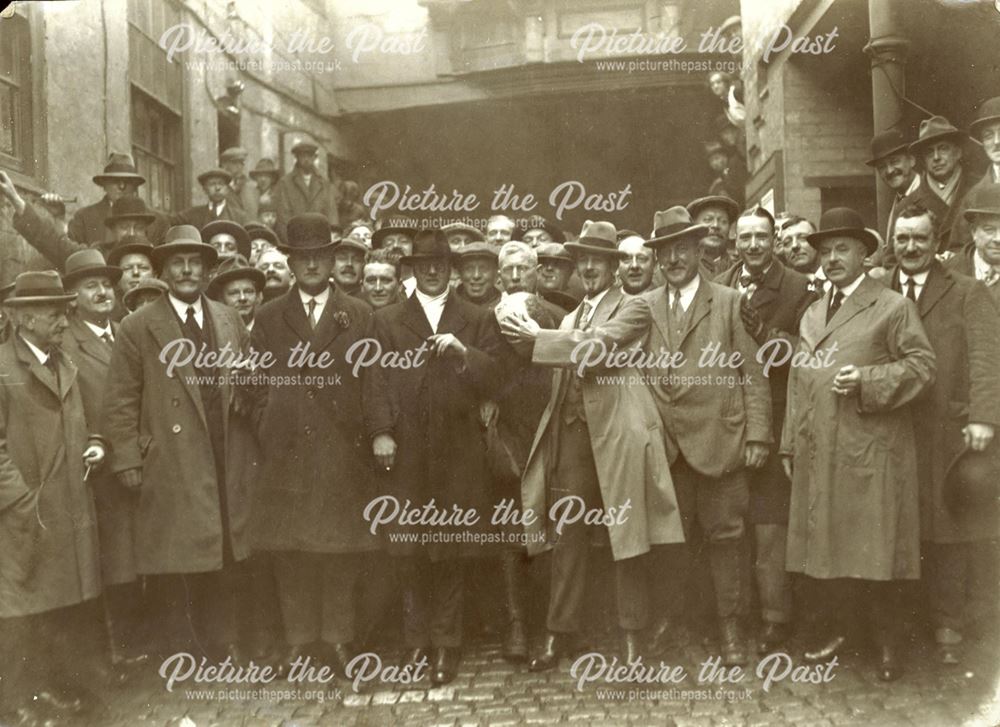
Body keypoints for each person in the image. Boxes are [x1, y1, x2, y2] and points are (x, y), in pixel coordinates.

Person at [500, 220, 684, 671]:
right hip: (574, 437)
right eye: (582, 261)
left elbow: (597, 347)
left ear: (614, 267)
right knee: (568, 536)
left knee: (628, 536)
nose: (589, 268)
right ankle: (560, 634)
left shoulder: (635, 308)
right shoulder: (569, 316)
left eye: (597, 260)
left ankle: (632, 637)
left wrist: (536, 339)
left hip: (619, 435)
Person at [780, 207, 935, 682]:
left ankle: (888, 644)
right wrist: (789, 443)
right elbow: (796, 381)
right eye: (824, 251)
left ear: (865, 254)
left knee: (876, 548)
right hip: (819, 447)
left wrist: (867, 380)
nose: (831, 258)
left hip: (870, 450)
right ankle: (842, 631)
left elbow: (922, 367)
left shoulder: (891, 306)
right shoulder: (810, 312)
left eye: (841, 249)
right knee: (830, 548)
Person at [103, 225, 259, 663]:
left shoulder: (227, 318)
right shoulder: (139, 326)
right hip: (173, 455)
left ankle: (226, 642)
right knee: (180, 553)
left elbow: (249, 379)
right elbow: (120, 399)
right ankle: (186, 646)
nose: (188, 270)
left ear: (208, 270)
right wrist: (129, 458)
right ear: (164, 270)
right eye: (178, 262)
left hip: (226, 446)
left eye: (195, 262)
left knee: (226, 546)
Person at [364, 229, 505, 685]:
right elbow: (375, 380)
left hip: (457, 450)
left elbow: (498, 377)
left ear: (451, 270)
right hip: (406, 451)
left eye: (440, 264)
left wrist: (464, 354)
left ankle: (446, 646)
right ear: (412, 269)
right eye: (423, 264)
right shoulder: (387, 319)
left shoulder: (476, 317)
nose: (431, 270)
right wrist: (382, 432)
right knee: (408, 550)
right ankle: (415, 644)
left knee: (449, 548)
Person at [635, 207, 771, 667]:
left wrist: (757, 435)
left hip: (721, 442)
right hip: (666, 449)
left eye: (681, 249)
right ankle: (672, 622)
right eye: (664, 252)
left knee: (725, 538)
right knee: (670, 541)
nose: (672, 259)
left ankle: (731, 628)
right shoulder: (645, 305)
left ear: (698, 250)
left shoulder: (729, 301)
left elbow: (753, 373)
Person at [248, 213, 380, 677]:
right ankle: (301, 643)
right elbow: (255, 381)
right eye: (302, 258)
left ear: (332, 259)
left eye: (320, 257)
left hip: (340, 451)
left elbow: (374, 381)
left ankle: (339, 640)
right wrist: (269, 423)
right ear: (291, 261)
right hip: (285, 454)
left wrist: (374, 434)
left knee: (339, 551)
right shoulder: (268, 315)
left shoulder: (360, 313)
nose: (311, 266)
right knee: (292, 553)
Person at [884, 203, 1000, 664]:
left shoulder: (967, 291)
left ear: (937, 243)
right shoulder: (877, 288)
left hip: (946, 429)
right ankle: (906, 621)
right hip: (891, 429)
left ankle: (948, 625)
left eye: (920, 239)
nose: (911, 247)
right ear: (892, 242)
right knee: (899, 525)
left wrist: (984, 417)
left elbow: (986, 359)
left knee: (946, 527)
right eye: (903, 238)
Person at [0, 271, 111, 722]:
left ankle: (54, 690)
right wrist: (21, 501)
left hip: (68, 506)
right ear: (22, 318)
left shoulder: (65, 361)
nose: (63, 318)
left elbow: (90, 418)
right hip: (22, 514)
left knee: (62, 605)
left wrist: (97, 443)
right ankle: (18, 701)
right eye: (51, 310)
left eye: (64, 308)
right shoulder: (3, 367)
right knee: (21, 608)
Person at [715, 206, 813, 654]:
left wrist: (770, 335)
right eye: (745, 237)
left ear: (775, 241)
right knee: (729, 522)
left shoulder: (797, 287)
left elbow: (811, 349)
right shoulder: (720, 283)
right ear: (735, 242)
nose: (753, 245)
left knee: (771, 523)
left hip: (773, 416)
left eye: (761, 237)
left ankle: (776, 616)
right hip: (723, 416)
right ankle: (736, 615)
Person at [0, 172, 158, 268]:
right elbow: (56, 244)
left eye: (137, 227)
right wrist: (15, 199)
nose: (131, 233)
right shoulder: (99, 256)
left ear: (146, 229)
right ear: (113, 230)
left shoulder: (158, 258)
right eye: (124, 227)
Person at [865, 129, 941, 261]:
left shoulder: (931, 195)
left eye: (894, 162)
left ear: (911, 160)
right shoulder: (898, 198)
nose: (889, 171)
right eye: (882, 166)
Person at [908, 116, 977, 252]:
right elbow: (891, 261)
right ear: (923, 160)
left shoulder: (981, 188)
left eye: (943, 148)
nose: (936, 157)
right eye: (929, 152)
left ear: (958, 152)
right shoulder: (908, 204)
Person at [65, 153, 147, 249]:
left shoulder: (156, 221)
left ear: (135, 186)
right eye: (115, 181)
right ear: (104, 185)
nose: (121, 186)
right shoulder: (84, 218)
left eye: (127, 181)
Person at [951, 97, 1000, 249]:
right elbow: (957, 248)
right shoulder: (973, 196)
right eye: (988, 135)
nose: (996, 141)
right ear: (983, 143)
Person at [272, 140, 339, 238]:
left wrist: (332, 235)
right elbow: (283, 216)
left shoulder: (324, 183)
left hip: (320, 238)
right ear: (297, 158)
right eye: (303, 156)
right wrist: (290, 241)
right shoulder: (285, 183)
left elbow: (331, 212)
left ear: (314, 158)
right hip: (296, 238)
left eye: (310, 156)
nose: (307, 160)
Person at [170, 168, 249, 229]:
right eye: (212, 184)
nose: (217, 188)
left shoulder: (239, 217)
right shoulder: (191, 215)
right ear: (205, 189)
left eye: (221, 184)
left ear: (227, 189)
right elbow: (169, 221)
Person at [206, 255, 265, 331]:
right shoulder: (213, 332)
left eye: (248, 291)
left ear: (258, 297)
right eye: (234, 293)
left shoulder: (267, 327)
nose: (242, 298)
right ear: (220, 299)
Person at [687, 195, 739, 277]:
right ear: (693, 227)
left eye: (723, 221)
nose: (715, 225)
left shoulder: (739, 269)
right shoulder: (681, 268)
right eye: (708, 219)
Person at [536, 242, 581, 312]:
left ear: (570, 271)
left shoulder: (580, 305)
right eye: (544, 263)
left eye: (557, 264)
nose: (549, 268)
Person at [455, 242, 501, 308]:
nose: (476, 275)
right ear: (460, 273)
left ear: (496, 273)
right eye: (469, 269)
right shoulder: (446, 306)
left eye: (484, 269)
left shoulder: (506, 306)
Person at [220, 147, 258, 220]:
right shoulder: (220, 187)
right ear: (224, 165)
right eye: (234, 163)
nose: (239, 167)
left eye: (241, 163)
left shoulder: (252, 185)